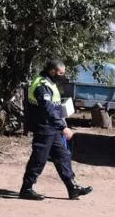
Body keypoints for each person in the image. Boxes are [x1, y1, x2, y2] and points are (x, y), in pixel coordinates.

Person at [19, 59, 93, 201]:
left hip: (52, 127)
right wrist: (63, 127)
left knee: (63, 156)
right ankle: (26, 189)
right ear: (52, 71)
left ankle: (72, 188)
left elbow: (54, 106)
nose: (63, 76)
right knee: (39, 158)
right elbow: (48, 110)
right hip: (44, 127)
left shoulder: (50, 83)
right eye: (61, 73)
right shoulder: (42, 85)